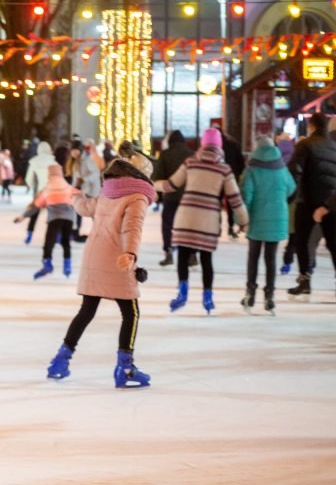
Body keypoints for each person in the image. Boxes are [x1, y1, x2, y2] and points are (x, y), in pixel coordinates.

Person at [44, 159, 156, 388]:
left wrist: (75, 196)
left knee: (87, 310)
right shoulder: (137, 196)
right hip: (117, 258)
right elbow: (132, 228)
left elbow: (86, 207)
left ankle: (59, 361)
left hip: (93, 256)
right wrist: (131, 253)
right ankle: (125, 368)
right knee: (131, 313)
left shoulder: (110, 191)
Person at [157, 128, 248, 314]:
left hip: (186, 217)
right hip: (209, 220)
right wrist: (244, 222)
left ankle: (182, 292)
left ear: (203, 144)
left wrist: (151, 184)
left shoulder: (190, 162)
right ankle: (208, 297)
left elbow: (171, 185)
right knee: (206, 259)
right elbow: (235, 199)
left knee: (183, 256)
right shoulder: (224, 169)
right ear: (220, 145)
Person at [240, 136, 296, 314]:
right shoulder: (281, 168)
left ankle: (250, 293)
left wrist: (241, 220)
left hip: (256, 220)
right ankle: (269, 296)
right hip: (277, 218)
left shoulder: (252, 169)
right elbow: (291, 189)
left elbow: (246, 197)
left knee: (253, 257)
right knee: (270, 258)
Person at [286, 113, 336, 299]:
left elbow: (294, 172)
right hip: (330, 202)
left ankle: (304, 281)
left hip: (307, 200)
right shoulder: (334, 147)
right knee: (333, 243)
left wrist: (290, 197)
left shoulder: (305, 145)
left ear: (311, 126)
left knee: (302, 241)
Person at [26, 163, 79, 280]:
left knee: (48, 242)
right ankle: (67, 266)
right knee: (66, 242)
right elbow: (79, 195)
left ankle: (47, 263)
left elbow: (38, 204)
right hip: (68, 218)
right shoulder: (67, 186)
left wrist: (26, 216)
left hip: (54, 218)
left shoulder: (47, 188)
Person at [152, 131, 193, 266]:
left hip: (171, 196)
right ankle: (192, 254)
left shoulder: (165, 154)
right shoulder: (192, 154)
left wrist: (158, 197)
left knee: (167, 225)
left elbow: (159, 176)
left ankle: (168, 251)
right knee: (188, 226)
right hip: (188, 197)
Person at [22, 141, 56, 244]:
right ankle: (56, 235)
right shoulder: (53, 161)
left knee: (35, 212)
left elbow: (29, 178)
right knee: (53, 213)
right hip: (52, 190)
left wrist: (32, 186)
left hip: (39, 191)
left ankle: (29, 233)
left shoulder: (34, 161)